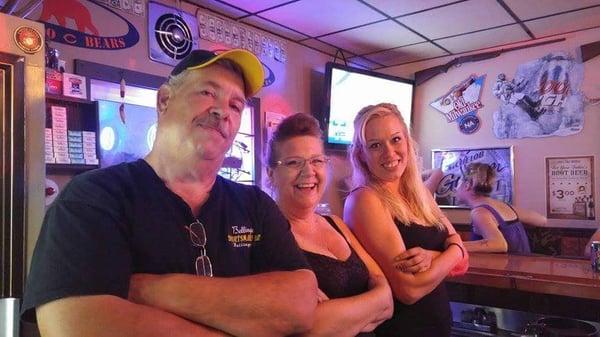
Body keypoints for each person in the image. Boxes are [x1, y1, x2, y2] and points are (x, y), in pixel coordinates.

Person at [22, 49, 318, 337]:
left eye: (236, 105)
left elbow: (301, 304)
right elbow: (75, 326)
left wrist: (151, 290)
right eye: (207, 93)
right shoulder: (95, 197)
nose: (221, 111)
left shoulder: (255, 205)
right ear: (164, 100)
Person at [343, 103, 468, 337]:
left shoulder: (420, 194)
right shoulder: (364, 200)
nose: (389, 153)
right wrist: (454, 250)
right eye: (375, 145)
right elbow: (409, 290)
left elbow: (463, 263)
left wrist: (433, 256)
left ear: (408, 143)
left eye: (396, 139)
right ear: (362, 154)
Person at [266, 113, 393, 337]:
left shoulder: (335, 223)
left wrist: (337, 316)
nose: (309, 172)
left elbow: (388, 298)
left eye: (317, 161)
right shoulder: (267, 237)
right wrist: (373, 304)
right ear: (271, 174)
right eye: (294, 162)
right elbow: (310, 328)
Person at [456, 162, 547, 254]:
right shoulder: (503, 206)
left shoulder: (479, 212)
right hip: (524, 265)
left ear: (467, 186)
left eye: (458, 183)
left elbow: (499, 245)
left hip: (509, 267)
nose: (456, 188)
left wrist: (455, 247)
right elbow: (542, 220)